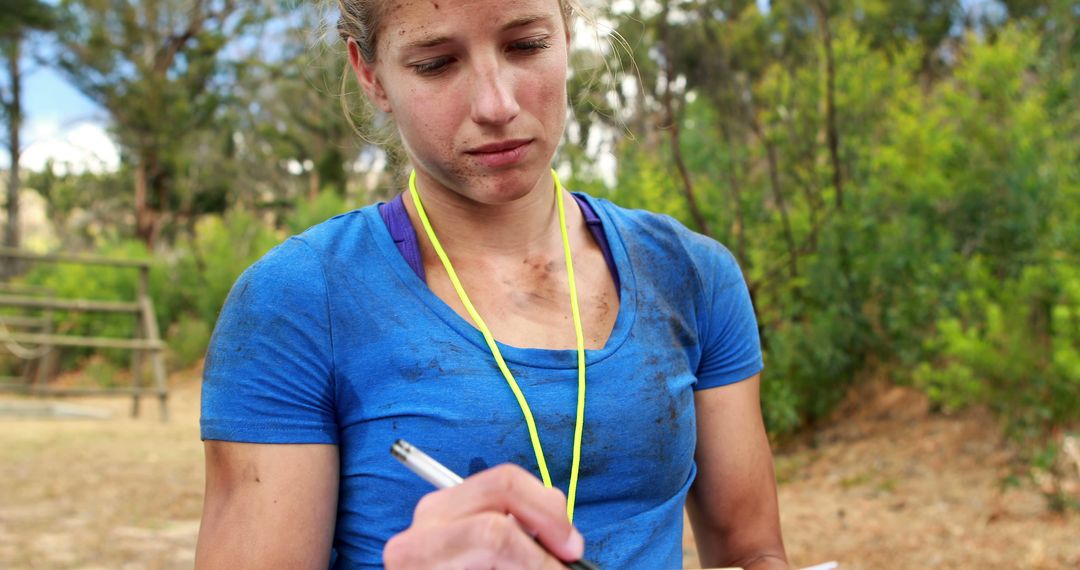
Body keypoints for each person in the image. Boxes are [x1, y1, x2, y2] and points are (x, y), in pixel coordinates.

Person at [194, 0, 789, 568]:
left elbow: (752, 553)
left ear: (568, 35)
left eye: (526, 45)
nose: (496, 103)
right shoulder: (296, 302)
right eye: (435, 63)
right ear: (371, 75)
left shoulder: (691, 275)